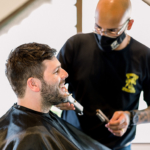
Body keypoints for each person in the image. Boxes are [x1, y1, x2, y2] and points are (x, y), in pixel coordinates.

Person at [56, 0, 150, 149]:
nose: (102, 35)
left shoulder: (144, 57)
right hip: (72, 142)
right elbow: (49, 82)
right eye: (98, 27)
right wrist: (55, 98)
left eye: (112, 31)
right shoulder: (75, 46)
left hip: (118, 146)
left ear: (129, 25)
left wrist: (130, 117)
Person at [0, 43, 110, 150]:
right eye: (56, 71)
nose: (65, 74)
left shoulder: (25, 120)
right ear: (33, 84)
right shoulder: (30, 139)